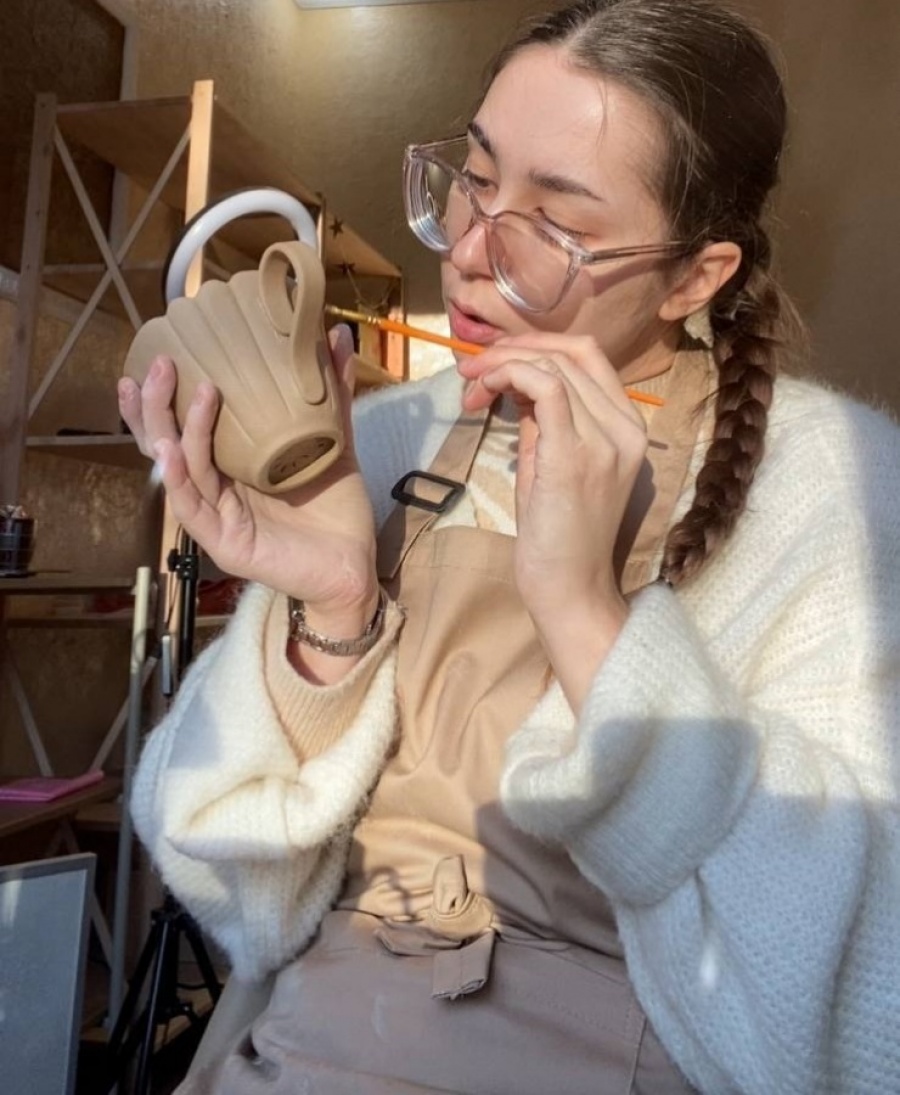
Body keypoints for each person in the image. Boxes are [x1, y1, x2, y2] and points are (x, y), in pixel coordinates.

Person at [118, 0, 900, 1091]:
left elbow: (851, 1017)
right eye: (475, 179)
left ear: (695, 277)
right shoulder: (388, 435)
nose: (472, 253)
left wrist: (587, 615)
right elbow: (235, 898)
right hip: (302, 1051)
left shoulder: (833, 487)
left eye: (557, 223)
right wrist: (331, 611)